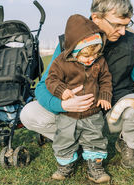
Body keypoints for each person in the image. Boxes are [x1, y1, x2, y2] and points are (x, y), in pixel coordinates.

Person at [20, 0, 134, 170]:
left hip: (110, 114)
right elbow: (43, 86)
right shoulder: (68, 42)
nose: (123, 32)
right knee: (28, 113)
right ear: (96, 17)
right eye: (117, 25)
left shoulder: (132, 43)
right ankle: (76, 144)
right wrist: (63, 105)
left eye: (126, 25)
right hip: (73, 114)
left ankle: (127, 144)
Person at [46, 14, 112, 183]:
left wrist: (105, 95)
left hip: (92, 111)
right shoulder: (61, 62)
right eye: (86, 56)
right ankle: (65, 164)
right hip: (68, 115)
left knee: (95, 138)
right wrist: (62, 91)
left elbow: (105, 79)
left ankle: (95, 167)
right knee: (65, 139)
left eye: (95, 55)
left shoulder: (99, 61)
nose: (91, 59)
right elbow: (51, 80)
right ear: (74, 50)